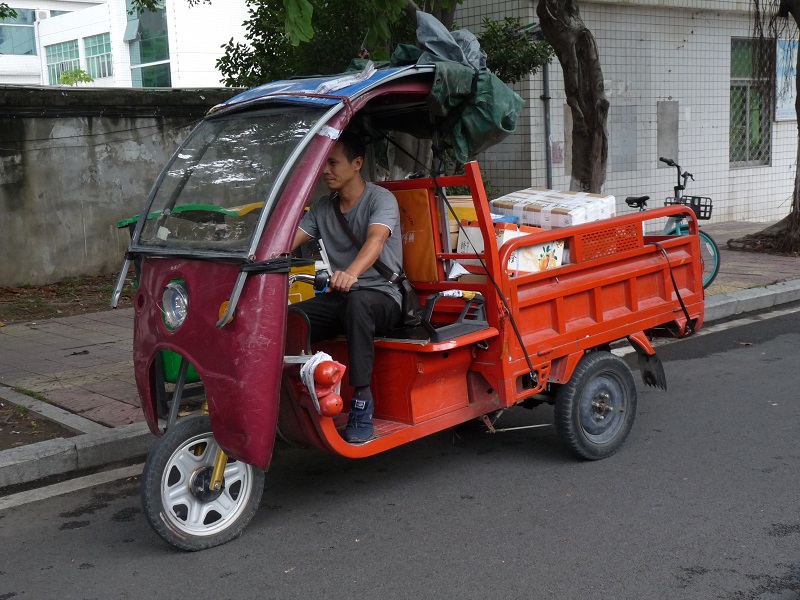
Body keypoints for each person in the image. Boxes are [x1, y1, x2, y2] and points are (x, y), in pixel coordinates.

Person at [291, 131, 402, 443]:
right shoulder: (323, 208)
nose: (325, 170)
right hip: (342, 297)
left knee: (359, 304)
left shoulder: (381, 199)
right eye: (323, 163)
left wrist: (352, 272)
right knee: (290, 319)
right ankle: (293, 395)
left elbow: (376, 240)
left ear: (356, 164)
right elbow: (286, 242)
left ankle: (362, 402)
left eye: (333, 162)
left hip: (383, 297)